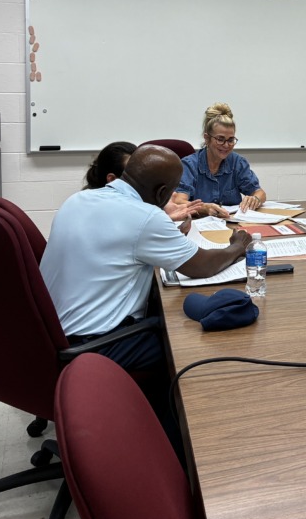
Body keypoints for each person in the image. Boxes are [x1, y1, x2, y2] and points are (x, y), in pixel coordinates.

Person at [41, 144, 251, 372]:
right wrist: (238, 247)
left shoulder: (78, 199)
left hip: (51, 336)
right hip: (95, 347)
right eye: (171, 192)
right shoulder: (146, 217)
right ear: (161, 192)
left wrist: (166, 238)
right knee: (189, 339)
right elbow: (201, 267)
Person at [173, 102, 267, 219]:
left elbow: (260, 193)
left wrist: (254, 199)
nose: (226, 145)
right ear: (207, 138)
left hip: (231, 224)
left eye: (231, 140)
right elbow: (178, 202)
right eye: (220, 139)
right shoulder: (189, 165)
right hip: (199, 226)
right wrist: (204, 208)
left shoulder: (237, 162)